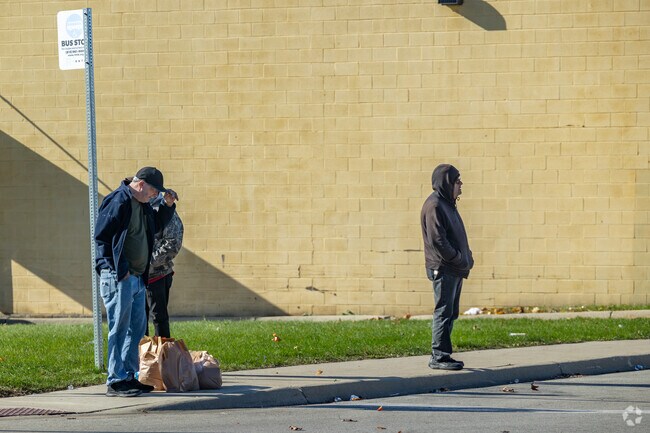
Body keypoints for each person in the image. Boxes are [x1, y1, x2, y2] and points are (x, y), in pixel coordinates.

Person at [94, 167, 179, 397]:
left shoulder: (142, 205)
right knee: (119, 329)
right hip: (120, 278)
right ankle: (115, 380)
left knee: (137, 329)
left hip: (139, 279)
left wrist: (168, 206)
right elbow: (101, 237)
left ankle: (128, 376)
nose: (155, 195)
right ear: (140, 184)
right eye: (153, 190)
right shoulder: (118, 201)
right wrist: (115, 271)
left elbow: (155, 228)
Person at [420, 164, 474, 371]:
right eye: (457, 181)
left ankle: (443, 354)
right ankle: (439, 356)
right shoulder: (435, 206)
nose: (461, 185)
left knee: (451, 312)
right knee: (443, 311)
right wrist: (458, 258)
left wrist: (466, 257)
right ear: (447, 183)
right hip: (444, 268)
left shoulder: (447, 204)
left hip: (454, 267)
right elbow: (438, 241)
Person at [145, 193, 184, 338]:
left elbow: (173, 243)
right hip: (136, 275)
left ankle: (164, 356)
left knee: (159, 317)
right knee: (137, 319)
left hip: (157, 274)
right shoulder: (136, 206)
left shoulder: (163, 209)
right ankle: (141, 357)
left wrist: (148, 263)